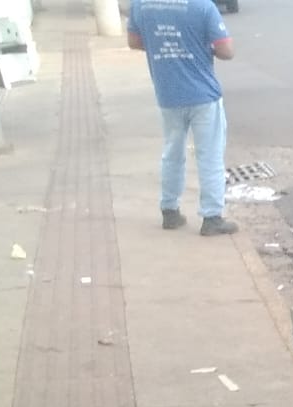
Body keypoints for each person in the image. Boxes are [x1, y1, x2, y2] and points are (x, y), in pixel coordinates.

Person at [126, 0, 239, 235]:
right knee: (210, 156)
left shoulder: (140, 4)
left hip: (167, 93)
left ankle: (169, 210)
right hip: (203, 95)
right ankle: (211, 217)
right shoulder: (202, 6)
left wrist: (163, 46)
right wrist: (198, 46)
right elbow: (226, 50)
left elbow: (134, 41)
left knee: (172, 153)